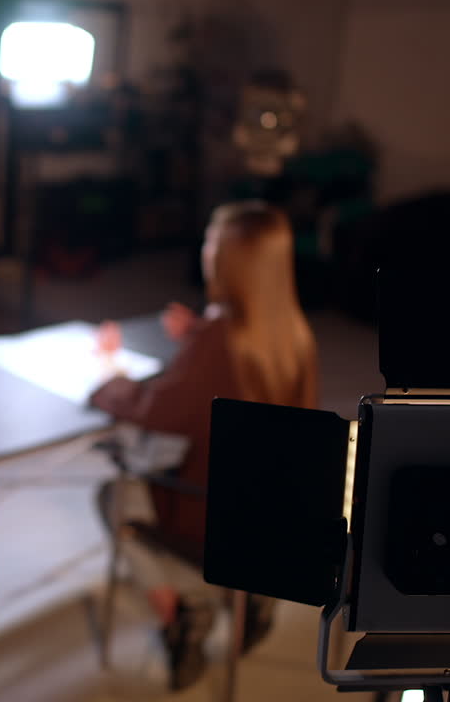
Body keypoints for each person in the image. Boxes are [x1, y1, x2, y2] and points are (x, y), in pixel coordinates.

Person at [90, 200, 319, 691]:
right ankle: (250, 595)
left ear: (231, 260)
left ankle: (182, 611)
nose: (205, 249)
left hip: (213, 519)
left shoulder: (220, 338)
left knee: (114, 495)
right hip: (270, 513)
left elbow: (156, 409)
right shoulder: (294, 330)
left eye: (214, 242)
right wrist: (196, 334)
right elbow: (236, 375)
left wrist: (109, 372)